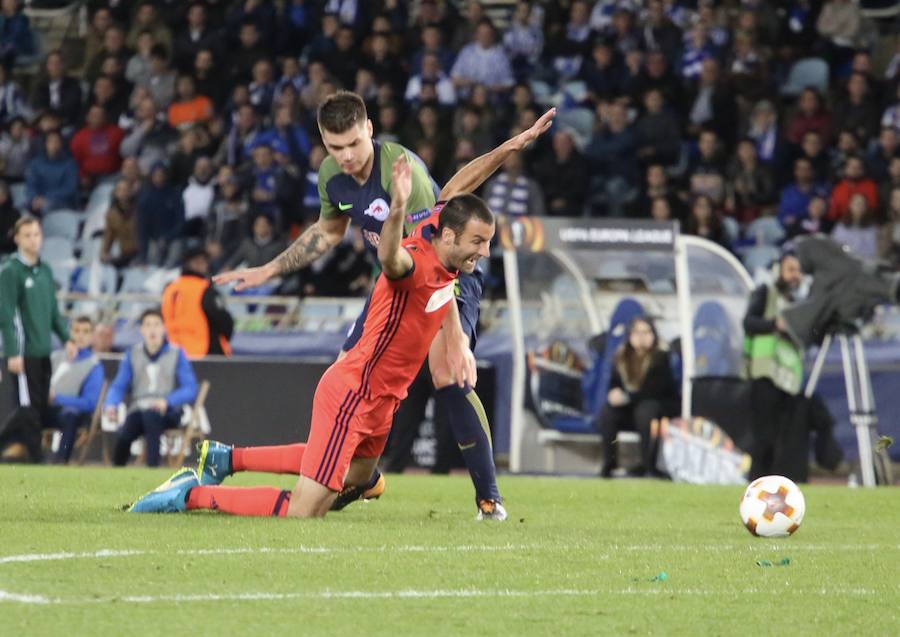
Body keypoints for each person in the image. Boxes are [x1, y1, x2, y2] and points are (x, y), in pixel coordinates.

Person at [213, 91, 554, 518]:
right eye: (335, 148)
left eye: (353, 144)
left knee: (448, 369)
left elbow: (435, 261)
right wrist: (269, 270)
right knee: (346, 375)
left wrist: (456, 338)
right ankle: (349, 475)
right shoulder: (331, 176)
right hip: (397, 279)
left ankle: (489, 500)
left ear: (369, 130)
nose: (347, 156)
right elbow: (328, 232)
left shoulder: (400, 172)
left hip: (449, 277)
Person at [128, 155, 495, 519]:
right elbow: (389, 256)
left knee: (361, 476)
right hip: (355, 392)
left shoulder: (445, 239)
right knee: (306, 510)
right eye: (478, 241)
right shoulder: (413, 264)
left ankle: (228, 458)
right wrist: (398, 204)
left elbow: (458, 186)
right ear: (448, 236)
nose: (485, 251)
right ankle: (190, 494)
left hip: (384, 400)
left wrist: (515, 144)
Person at [743, 253, 842, 481]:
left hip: (790, 380)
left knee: (786, 438)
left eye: (798, 270)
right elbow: (748, 322)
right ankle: (756, 484)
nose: (794, 275)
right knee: (764, 438)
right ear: (779, 271)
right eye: (790, 269)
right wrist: (775, 324)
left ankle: (781, 484)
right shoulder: (765, 293)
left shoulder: (802, 306)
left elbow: (813, 338)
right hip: (765, 375)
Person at [0, 217, 76, 461]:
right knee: (28, 408)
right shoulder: (10, 270)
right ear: (17, 239)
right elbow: (7, 314)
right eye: (28, 235)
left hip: (44, 352)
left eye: (37, 234)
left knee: (39, 408)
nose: (34, 239)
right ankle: (36, 459)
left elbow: (53, 312)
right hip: (24, 352)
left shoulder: (45, 270)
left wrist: (67, 339)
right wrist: (13, 352)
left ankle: (11, 445)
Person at [105, 308, 198, 467]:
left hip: (167, 411)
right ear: (141, 330)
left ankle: (152, 467)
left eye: (156, 324)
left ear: (163, 328)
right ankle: (116, 468)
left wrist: (167, 401)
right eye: (148, 325)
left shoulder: (176, 353)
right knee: (127, 431)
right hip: (139, 409)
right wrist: (111, 405)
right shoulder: (132, 354)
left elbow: (190, 388)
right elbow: (119, 385)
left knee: (151, 417)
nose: (152, 329)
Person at [597, 317, 678, 478]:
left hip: (658, 406)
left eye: (646, 332)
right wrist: (614, 393)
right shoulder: (621, 357)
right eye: (637, 332)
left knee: (645, 410)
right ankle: (609, 463)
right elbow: (614, 383)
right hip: (630, 408)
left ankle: (649, 465)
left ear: (653, 334)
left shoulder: (661, 356)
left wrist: (627, 397)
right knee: (608, 412)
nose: (641, 336)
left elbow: (655, 390)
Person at [46, 315, 104, 464]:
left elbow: (89, 403)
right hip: (48, 408)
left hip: (74, 414)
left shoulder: (94, 365)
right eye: (76, 331)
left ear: (92, 336)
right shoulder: (55, 357)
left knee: (70, 413)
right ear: (70, 333)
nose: (80, 336)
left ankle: (61, 461)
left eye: (85, 332)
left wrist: (57, 397)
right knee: (27, 410)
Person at [161, 246, 233, 358]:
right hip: (205, 351)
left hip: (175, 353)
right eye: (202, 262)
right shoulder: (205, 289)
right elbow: (224, 320)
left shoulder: (170, 289)